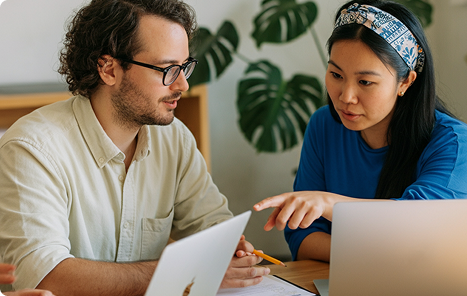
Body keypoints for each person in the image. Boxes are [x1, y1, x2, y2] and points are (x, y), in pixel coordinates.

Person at [0, 0, 269, 294]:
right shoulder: (32, 149)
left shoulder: (175, 139)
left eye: (185, 67)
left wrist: (231, 250)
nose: (182, 85)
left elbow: (214, 228)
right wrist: (180, 271)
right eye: (167, 69)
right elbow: (44, 277)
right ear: (109, 69)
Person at [253, 0, 467, 262]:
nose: (346, 97)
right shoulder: (323, 125)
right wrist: (382, 253)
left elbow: (420, 224)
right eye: (336, 75)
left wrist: (329, 205)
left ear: (405, 82)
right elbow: (302, 235)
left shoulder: (455, 144)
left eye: (365, 82)